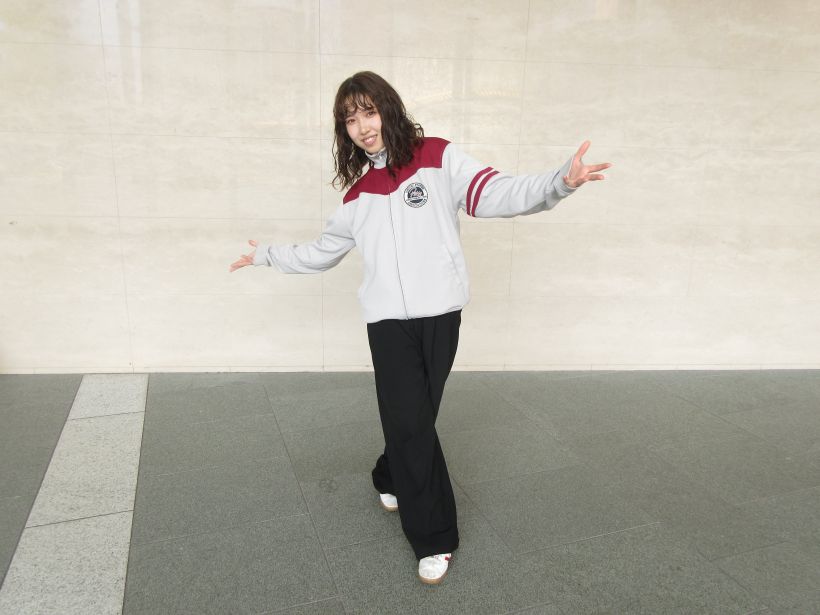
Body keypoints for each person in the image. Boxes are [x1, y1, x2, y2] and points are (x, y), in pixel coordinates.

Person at [230, 71, 611, 584]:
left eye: (369, 111)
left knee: (417, 416)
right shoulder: (357, 196)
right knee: (411, 421)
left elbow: (496, 192)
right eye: (350, 119)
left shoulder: (437, 157)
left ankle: (388, 472)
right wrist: (266, 256)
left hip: (440, 313)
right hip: (387, 322)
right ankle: (434, 537)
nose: (363, 126)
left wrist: (559, 182)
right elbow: (321, 253)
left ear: (388, 108)